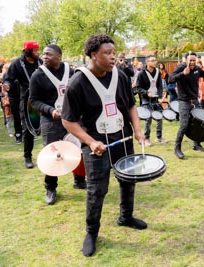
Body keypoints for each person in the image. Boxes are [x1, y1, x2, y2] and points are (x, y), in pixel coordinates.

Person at [61, 34, 146, 257]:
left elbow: (131, 106)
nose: (112, 57)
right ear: (93, 55)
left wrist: (137, 131)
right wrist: (90, 142)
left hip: (124, 140)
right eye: (107, 53)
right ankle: (92, 233)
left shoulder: (121, 76)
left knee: (128, 180)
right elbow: (67, 120)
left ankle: (126, 217)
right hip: (96, 146)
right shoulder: (77, 83)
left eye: (113, 52)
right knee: (97, 191)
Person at [29, 44, 86, 205]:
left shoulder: (72, 72)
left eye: (49, 54)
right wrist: (50, 110)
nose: (45, 56)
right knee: (52, 153)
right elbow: (33, 101)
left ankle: (80, 180)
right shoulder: (38, 75)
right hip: (50, 120)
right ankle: (50, 188)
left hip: (73, 118)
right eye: (44, 54)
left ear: (59, 56)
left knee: (78, 149)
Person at [169, 51, 204, 159]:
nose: (193, 62)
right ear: (186, 60)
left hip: (195, 101)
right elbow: (170, 79)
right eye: (191, 60)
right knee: (184, 125)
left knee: (199, 123)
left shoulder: (197, 69)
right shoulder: (181, 68)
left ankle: (196, 144)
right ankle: (177, 148)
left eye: (194, 60)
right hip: (184, 101)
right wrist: (182, 74)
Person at [3, 40, 42, 168]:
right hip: (28, 101)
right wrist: (7, 85)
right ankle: (28, 157)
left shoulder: (40, 62)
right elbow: (8, 78)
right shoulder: (17, 64)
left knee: (51, 127)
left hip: (44, 100)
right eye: (35, 51)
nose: (38, 53)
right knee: (28, 130)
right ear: (28, 51)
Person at [136, 55, 166, 146]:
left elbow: (160, 85)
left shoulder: (157, 72)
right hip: (146, 99)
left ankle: (159, 137)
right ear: (147, 62)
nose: (154, 62)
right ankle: (146, 139)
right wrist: (146, 93)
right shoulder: (141, 73)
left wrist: (160, 96)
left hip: (156, 98)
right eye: (152, 60)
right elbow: (138, 87)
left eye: (155, 60)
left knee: (159, 117)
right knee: (148, 119)